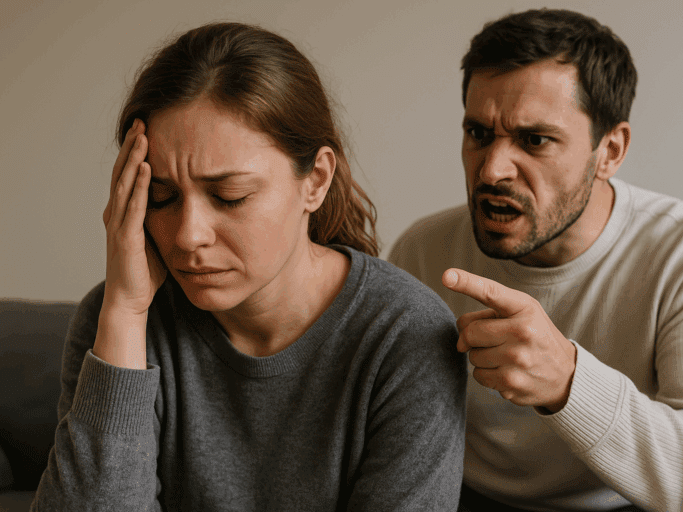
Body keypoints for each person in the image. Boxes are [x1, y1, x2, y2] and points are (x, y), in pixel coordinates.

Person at [32, 22, 466, 511]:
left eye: (229, 196)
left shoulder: (407, 338)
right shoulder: (115, 323)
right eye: (162, 196)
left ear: (316, 181)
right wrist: (125, 314)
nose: (187, 234)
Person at [389, 8, 683, 512]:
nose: (493, 170)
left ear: (610, 150)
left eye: (534, 140)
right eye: (478, 134)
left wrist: (568, 380)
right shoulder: (421, 250)